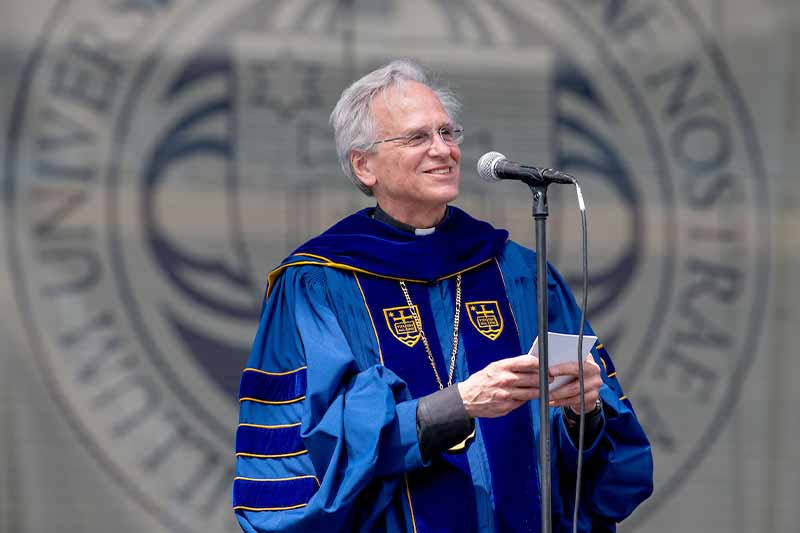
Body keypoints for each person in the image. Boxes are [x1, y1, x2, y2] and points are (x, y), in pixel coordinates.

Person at [233, 59, 653, 533]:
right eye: (418, 138)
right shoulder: (318, 284)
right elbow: (315, 448)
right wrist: (458, 405)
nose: (444, 150)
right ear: (363, 164)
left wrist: (584, 411)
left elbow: (607, 461)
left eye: (447, 133)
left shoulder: (516, 271)